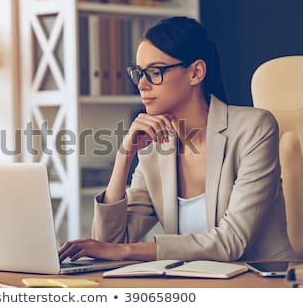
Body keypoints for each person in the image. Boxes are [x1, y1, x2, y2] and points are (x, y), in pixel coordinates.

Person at [59, 16, 297, 262]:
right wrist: (124, 155)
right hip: (191, 283)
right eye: (139, 73)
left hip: (261, 283)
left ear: (196, 72)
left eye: (154, 72)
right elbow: (108, 244)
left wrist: (127, 251)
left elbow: (231, 242)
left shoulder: (253, 129)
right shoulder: (153, 149)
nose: (142, 84)